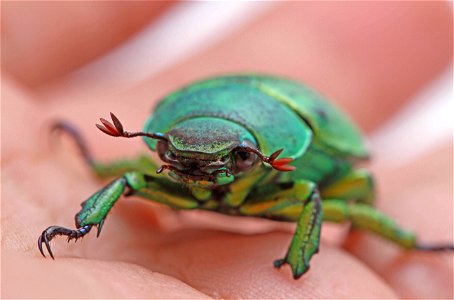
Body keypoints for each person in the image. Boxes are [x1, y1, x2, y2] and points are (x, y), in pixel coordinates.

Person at [2, 2, 452, 298]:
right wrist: (98, 172)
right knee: (128, 180)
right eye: (178, 157)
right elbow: (132, 175)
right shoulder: (158, 160)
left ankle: (411, 245)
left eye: (230, 159)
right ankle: (84, 224)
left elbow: (356, 190)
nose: (200, 169)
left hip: (279, 183)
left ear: (265, 156)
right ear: (164, 143)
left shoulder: (293, 158)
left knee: (352, 204)